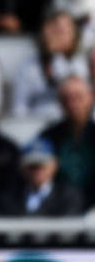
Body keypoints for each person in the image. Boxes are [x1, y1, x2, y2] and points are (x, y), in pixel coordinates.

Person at [38, 75, 95, 209]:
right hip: (59, 209)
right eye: (66, 99)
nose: (72, 104)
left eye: (78, 97)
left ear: (90, 98)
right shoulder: (48, 137)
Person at [0, 139, 85, 216]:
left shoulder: (69, 197)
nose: (37, 171)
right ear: (22, 168)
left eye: (42, 165)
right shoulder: (8, 199)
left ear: (54, 166)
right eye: (32, 166)